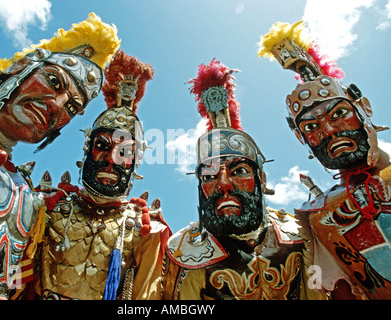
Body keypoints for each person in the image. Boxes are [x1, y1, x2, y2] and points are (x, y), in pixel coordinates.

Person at [0, 12, 120, 300]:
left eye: (72, 108)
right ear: (21, 68)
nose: (57, 106)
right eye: (54, 82)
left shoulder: (24, 193)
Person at [161, 59, 325, 300]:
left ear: (262, 179)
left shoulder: (300, 234)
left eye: (238, 171)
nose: (224, 184)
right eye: (209, 176)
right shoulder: (184, 251)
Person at [22, 49, 171, 300]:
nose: (111, 160)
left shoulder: (147, 230)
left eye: (124, 152)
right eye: (102, 146)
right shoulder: (47, 207)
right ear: (86, 150)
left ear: (136, 164)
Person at [258, 21, 391, 299]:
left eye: (338, 114)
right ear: (301, 139)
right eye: (310, 127)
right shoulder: (320, 216)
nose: (329, 131)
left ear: (364, 108)